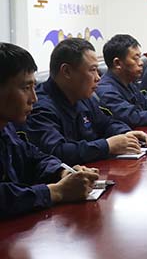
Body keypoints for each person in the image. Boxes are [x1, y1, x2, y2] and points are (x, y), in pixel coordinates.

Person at [19, 38, 147, 166]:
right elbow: (57, 151)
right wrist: (107, 146)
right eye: (92, 70)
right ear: (67, 71)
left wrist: (125, 133)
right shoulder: (40, 106)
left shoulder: (82, 95)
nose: (98, 78)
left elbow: (107, 123)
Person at [0, 43, 99, 217]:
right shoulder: (43, 107)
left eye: (33, 87)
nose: (34, 98)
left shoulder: (6, 128)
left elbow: (34, 157)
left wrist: (63, 172)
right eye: (25, 88)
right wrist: (56, 191)